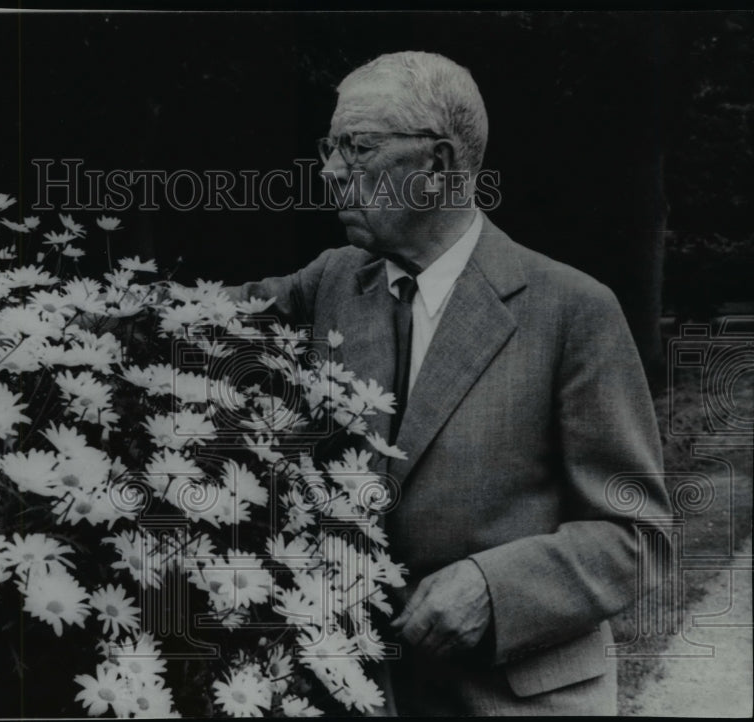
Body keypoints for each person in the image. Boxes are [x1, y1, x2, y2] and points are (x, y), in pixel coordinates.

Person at [234, 51, 671, 715]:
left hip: (516, 697)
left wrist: (492, 589)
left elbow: (636, 539)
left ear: (437, 165)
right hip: (365, 697)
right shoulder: (332, 280)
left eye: (357, 147)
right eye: (331, 147)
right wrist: (45, 314)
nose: (330, 171)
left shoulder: (573, 309)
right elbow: (199, 320)